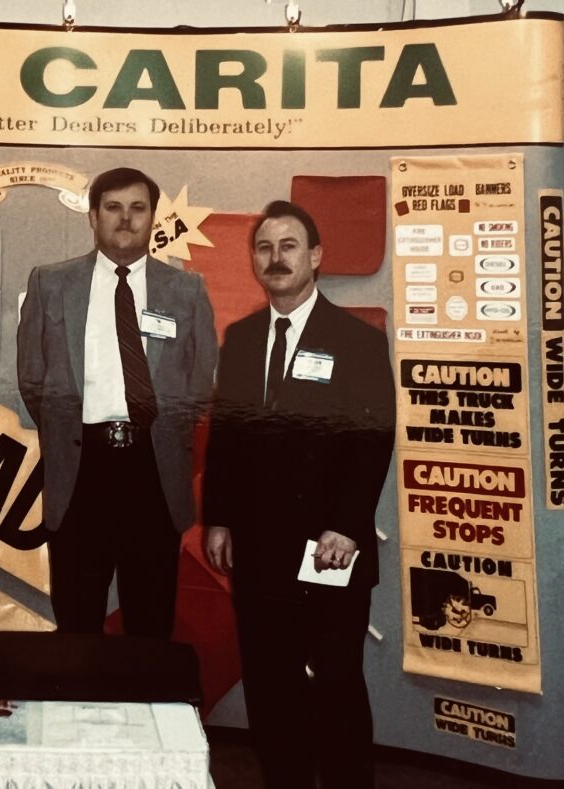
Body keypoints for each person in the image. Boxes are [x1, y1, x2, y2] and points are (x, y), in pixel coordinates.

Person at [202, 200, 395, 789]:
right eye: (264, 247)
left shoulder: (357, 340)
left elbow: (373, 439)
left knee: (335, 682)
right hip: (259, 549)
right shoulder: (240, 338)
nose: (276, 258)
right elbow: (228, 439)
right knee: (271, 682)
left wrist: (345, 524)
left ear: (315, 257)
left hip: (329, 546)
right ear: (254, 261)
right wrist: (219, 519)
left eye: (289, 246)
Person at [17, 167, 216, 639]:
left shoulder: (187, 291)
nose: (125, 220)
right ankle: (75, 712)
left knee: (150, 623)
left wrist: (165, 435)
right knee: (78, 619)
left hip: (154, 472)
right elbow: (32, 380)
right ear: (92, 216)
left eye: (137, 208)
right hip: (81, 470)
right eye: (113, 207)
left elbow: (200, 382)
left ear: (152, 218)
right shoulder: (52, 283)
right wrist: (66, 432)